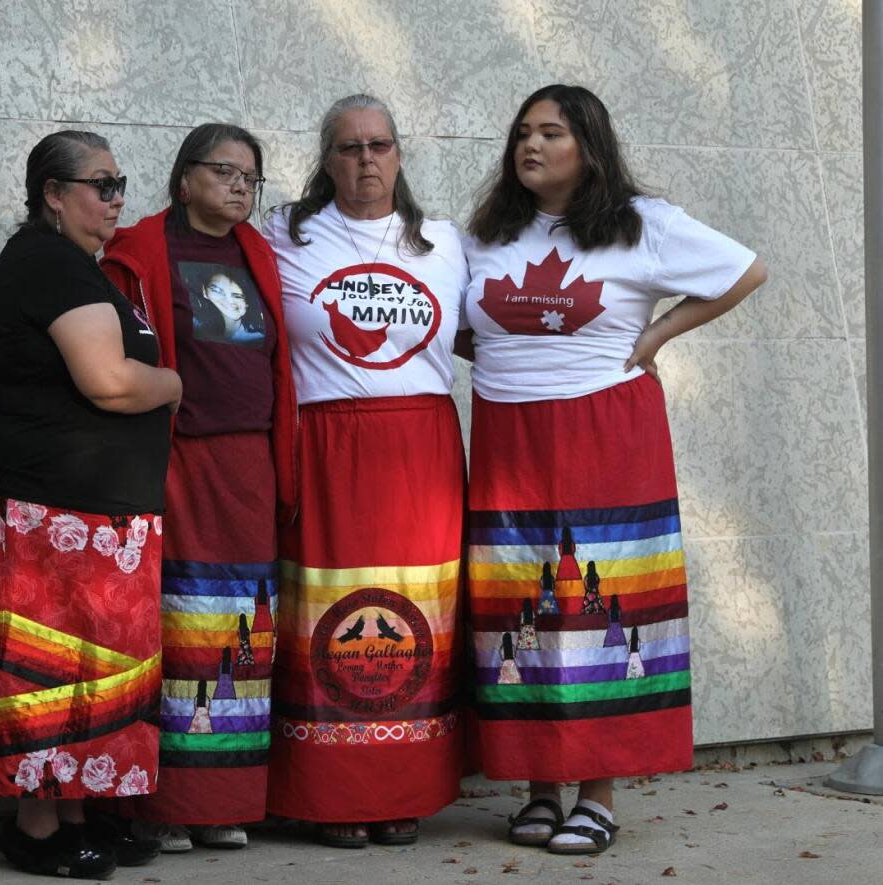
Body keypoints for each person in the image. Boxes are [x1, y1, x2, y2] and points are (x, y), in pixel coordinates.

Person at [462, 84, 767, 855]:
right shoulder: (488, 233)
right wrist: (507, 359)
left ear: (588, 147)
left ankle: (595, 792)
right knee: (519, 606)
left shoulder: (643, 226)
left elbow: (745, 271)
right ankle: (536, 786)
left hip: (606, 431)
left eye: (552, 133)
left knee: (604, 605)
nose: (531, 145)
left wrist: (658, 335)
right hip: (508, 435)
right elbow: (462, 324)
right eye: (523, 132)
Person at [0, 130, 182, 879]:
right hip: (50, 511)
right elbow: (108, 381)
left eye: (120, 184)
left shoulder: (79, 269)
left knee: (93, 669)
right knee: (47, 668)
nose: (115, 199)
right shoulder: (46, 261)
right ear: (52, 192)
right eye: (100, 184)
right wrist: (172, 383)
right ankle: (36, 825)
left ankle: (77, 810)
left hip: (94, 514)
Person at [261, 94, 469, 848]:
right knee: (325, 606)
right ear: (327, 158)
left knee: (418, 608)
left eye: (379, 144)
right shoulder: (284, 233)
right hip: (326, 445)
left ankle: (403, 787)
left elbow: (497, 326)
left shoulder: (444, 242)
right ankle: (328, 792)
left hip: (421, 448)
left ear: (400, 155)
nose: (366, 159)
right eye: (348, 147)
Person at [101, 123, 297, 852]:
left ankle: (223, 800)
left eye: (252, 174)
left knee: (242, 627)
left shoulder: (258, 257)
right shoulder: (140, 253)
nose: (241, 185)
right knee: (177, 615)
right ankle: (163, 802)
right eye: (224, 171)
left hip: (250, 461)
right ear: (185, 179)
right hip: (179, 459)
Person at [189, 267, 267, 345]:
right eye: (217, 291)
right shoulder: (190, 324)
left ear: (247, 302)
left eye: (238, 296)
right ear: (204, 291)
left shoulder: (257, 338)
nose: (230, 301)